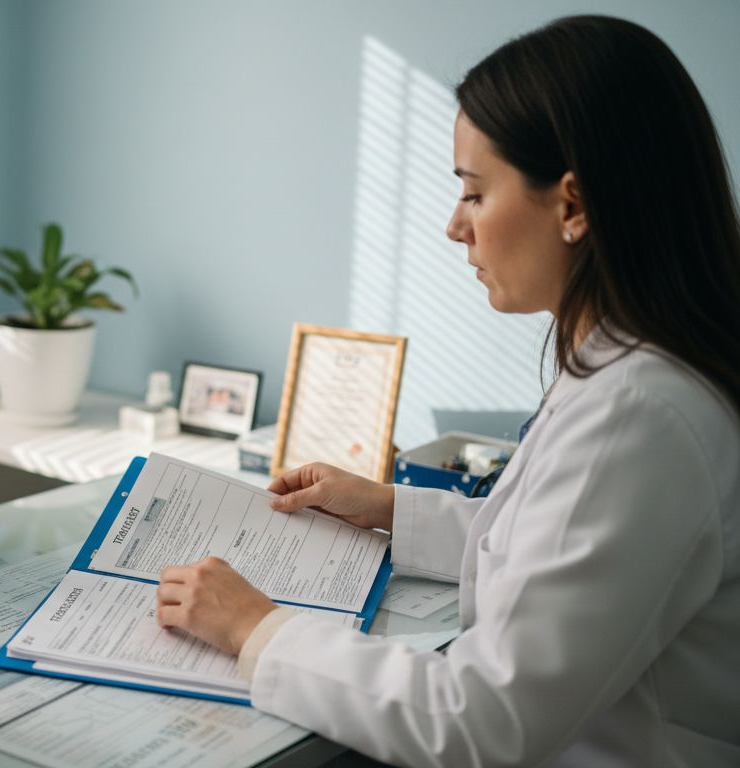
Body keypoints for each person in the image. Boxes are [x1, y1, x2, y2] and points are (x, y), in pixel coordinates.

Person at [155, 15, 740, 767]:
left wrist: (256, 630)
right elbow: (569, 548)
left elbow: (482, 719)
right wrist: (391, 509)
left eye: (472, 192)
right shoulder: (638, 367)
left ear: (572, 205)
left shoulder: (641, 415)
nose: (452, 226)